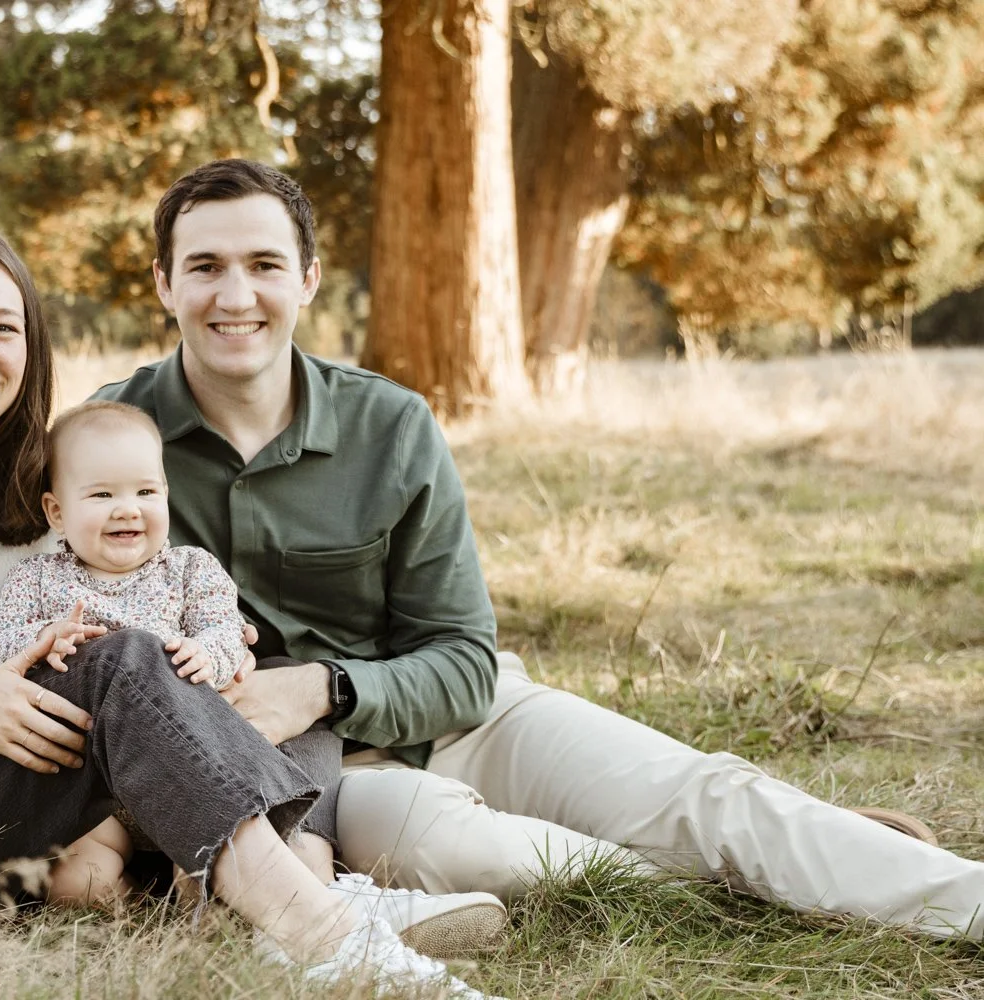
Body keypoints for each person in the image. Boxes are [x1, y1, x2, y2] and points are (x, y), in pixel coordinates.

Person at [95, 158, 984, 941]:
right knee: (475, 853)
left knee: (701, 793)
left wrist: (325, 686)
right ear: (165, 284)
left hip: (448, 715)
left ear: (309, 280)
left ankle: (894, 878)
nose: (235, 296)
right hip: (298, 773)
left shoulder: (390, 425)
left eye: (264, 265)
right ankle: (786, 867)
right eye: (205, 267)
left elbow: (463, 661)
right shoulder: (107, 442)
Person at [0, 219, 501, 999]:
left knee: (267, 677)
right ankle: (329, 936)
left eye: (3, 329)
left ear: (30, 354)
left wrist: (213, 658)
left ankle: (301, 890)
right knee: (119, 661)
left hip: (3, 808)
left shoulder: (22, 509)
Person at [0, 399, 349, 910]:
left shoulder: (189, 569)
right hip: (94, 787)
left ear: (167, 496)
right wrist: (44, 639)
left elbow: (227, 630)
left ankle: (221, 881)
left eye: (146, 492)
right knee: (77, 883)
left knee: (213, 859)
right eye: (102, 494)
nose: (127, 508)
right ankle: (142, 906)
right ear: (57, 512)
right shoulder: (37, 579)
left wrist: (208, 653)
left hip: (191, 776)